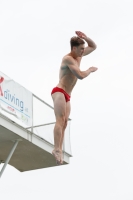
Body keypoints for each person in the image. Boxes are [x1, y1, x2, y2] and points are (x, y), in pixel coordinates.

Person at [51, 31, 98, 165]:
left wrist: (86, 38)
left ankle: (59, 148)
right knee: (60, 120)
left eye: (84, 49)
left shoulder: (79, 56)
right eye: (81, 49)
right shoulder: (68, 59)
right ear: (74, 48)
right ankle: (56, 149)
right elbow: (80, 75)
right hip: (59, 91)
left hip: (67, 95)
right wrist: (89, 70)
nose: (83, 51)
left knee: (65, 122)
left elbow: (94, 47)